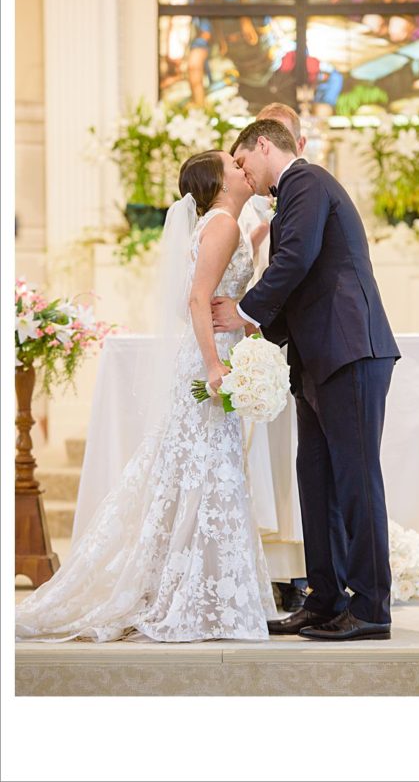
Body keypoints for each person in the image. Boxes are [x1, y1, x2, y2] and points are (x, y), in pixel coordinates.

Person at [16, 151, 276, 642]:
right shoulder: (221, 226)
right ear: (217, 182)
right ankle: (197, 595)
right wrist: (216, 363)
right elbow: (197, 299)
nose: (243, 167)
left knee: (200, 472)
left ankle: (202, 591)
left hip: (210, 355)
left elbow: (218, 282)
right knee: (205, 470)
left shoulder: (224, 224)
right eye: (233, 164)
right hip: (208, 362)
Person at [212, 119, 401, 642]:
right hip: (318, 356)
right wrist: (259, 340)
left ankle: (370, 608)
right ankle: (324, 599)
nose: (245, 177)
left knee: (356, 481)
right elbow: (298, 278)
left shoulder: (307, 180)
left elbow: (295, 258)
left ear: (265, 145)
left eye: (244, 164)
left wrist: (245, 315)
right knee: (316, 483)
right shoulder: (294, 192)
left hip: (349, 350)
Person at [238, 103, 308, 614]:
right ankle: (264, 560)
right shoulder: (244, 199)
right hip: (256, 340)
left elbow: (298, 261)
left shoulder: (307, 190)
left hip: (289, 337)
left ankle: (300, 566)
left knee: (296, 455)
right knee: (261, 453)